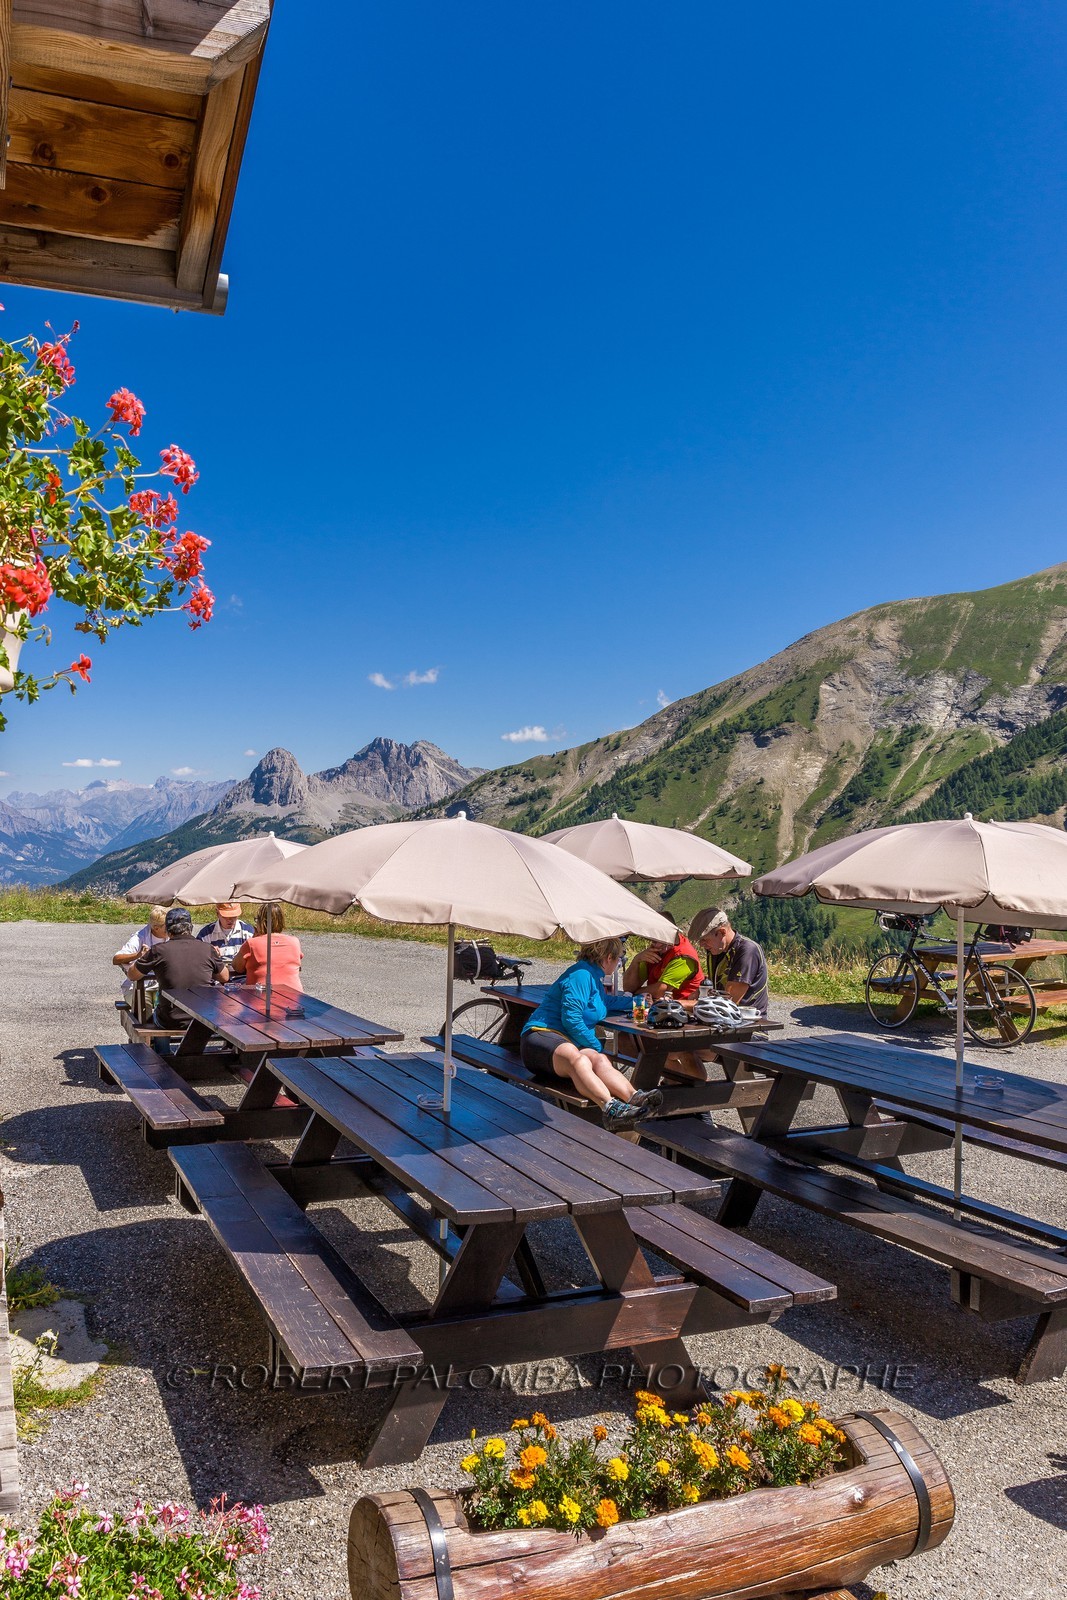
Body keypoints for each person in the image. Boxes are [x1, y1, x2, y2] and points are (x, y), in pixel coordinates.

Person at [520, 937, 662, 1130]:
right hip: (540, 1036)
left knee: (600, 1060)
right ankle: (610, 1108)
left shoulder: (593, 977)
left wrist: (636, 1001)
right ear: (608, 958)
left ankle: (635, 1097)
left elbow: (604, 1003)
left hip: (565, 1044)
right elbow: (572, 1019)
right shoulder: (581, 975)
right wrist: (595, 1045)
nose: (620, 963)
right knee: (581, 1059)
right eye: (620, 958)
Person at [128, 907, 229, 1031]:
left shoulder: (158, 950)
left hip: (171, 1019)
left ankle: (161, 1050)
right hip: (204, 1019)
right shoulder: (208, 949)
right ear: (190, 928)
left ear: (168, 930)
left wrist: (141, 957)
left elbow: (132, 975)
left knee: (156, 1016)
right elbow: (225, 977)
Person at [688, 906, 769, 1017]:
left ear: (722, 932)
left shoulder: (747, 950)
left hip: (748, 1026)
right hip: (723, 1020)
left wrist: (685, 1005)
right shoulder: (716, 950)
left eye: (704, 940)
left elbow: (729, 1001)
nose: (701, 945)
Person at [232, 902, 304, 991]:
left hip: (260, 996)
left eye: (257, 920)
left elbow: (237, 967)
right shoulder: (294, 941)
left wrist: (254, 938)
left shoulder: (252, 943)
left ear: (261, 922)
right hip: (294, 995)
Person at [623, 929, 703, 1002]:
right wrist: (636, 960)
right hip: (659, 1005)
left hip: (681, 1009)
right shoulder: (656, 950)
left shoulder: (683, 957)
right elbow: (628, 988)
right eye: (652, 940)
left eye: (655, 940)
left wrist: (635, 992)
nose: (653, 944)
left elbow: (660, 991)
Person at [112, 906, 168, 995]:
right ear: (156, 928)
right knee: (144, 1002)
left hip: (162, 985)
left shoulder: (171, 936)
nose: (170, 930)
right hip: (141, 986)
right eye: (167, 928)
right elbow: (116, 959)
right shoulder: (140, 937)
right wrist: (138, 955)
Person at [196, 901, 254, 966]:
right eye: (225, 916)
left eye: (233, 916)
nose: (230, 920)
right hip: (215, 975)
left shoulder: (248, 932)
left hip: (242, 975)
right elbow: (196, 958)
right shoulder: (205, 934)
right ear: (217, 914)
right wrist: (207, 952)